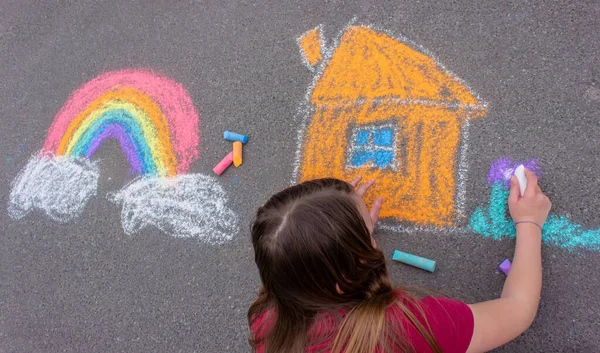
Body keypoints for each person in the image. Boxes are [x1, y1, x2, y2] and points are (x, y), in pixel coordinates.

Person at [248, 170, 551, 353]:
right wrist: (529, 223)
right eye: (368, 232)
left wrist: (337, 232)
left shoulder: (266, 320)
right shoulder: (408, 327)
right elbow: (518, 309)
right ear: (342, 280)